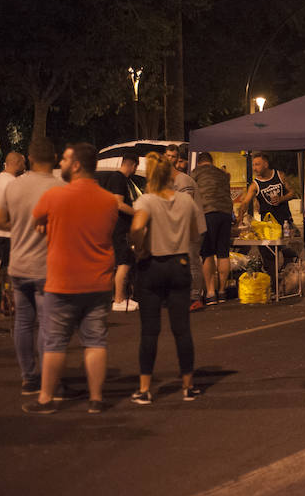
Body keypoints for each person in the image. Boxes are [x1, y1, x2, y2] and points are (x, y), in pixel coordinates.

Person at [23, 143, 118, 415]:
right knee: (95, 341)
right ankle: (96, 399)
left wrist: (48, 226)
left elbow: (36, 222)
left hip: (62, 283)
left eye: (64, 159)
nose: (60, 164)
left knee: (54, 343)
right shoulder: (109, 200)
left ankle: (45, 399)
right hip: (98, 282)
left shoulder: (53, 197)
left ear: (76, 165)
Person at [129, 152, 205, 405]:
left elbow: (137, 228)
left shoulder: (146, 201)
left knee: (150, 330)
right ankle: (188, 385)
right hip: (180, 265)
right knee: (182, 329)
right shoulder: (185, 201)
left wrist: (140, 247)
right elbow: (195, 234)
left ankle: (145, 388)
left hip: (152, 266)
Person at [0, 138, 63, 395]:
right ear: (54, 158)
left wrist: (20, 228)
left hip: (19, 264)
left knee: (23, 321)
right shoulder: (59, 186)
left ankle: (28, 378)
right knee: (46, 323)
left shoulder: (15, 186)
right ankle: (47, 379)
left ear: (30, 159)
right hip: (46, 265)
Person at [237, 152, 296, 289]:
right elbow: (245, 202)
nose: (255, 167)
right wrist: (239, 218)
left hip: (285, 222)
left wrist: (281, 199)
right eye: (253, 165)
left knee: (288, 252)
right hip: (267, 228)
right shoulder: (255, 185)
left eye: (257, 164)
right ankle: (274, 284)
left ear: (266, 164)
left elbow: (292, 192)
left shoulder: (279, 175)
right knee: (268, 256)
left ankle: (288, 281)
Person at [165, 144, 205, 311]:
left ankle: (195, 297)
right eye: (167, 156)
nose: (169, 160)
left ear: (178, 160)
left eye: (173, 157)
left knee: (192, 262)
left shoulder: (183, 180)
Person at [191, 152, 234, 305]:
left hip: (207, 213)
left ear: (199, 162)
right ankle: (222, 291)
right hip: (225, 214)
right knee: (223, 253)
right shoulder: (222, 174)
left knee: (207, 253)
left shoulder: (195, 173)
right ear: (211, 161)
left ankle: (210, 292)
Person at [99, 153, 139, 311]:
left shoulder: (120, 179)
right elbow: (118, 203)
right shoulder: (118, 179)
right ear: (133, 166)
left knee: (126, 260)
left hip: (119, 227)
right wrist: (137, 213)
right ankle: (119, 299)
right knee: (124, 261)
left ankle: (122, 297)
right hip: (119, 228)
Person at [0, 151, 26, 271]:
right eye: (23, 163)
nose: (25, 167)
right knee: (10, 270)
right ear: (17, 163)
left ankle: (0, 288)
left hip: (0, 234)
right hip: (9, 234)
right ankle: (3, 289)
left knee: (6, 267)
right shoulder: (11, 182)